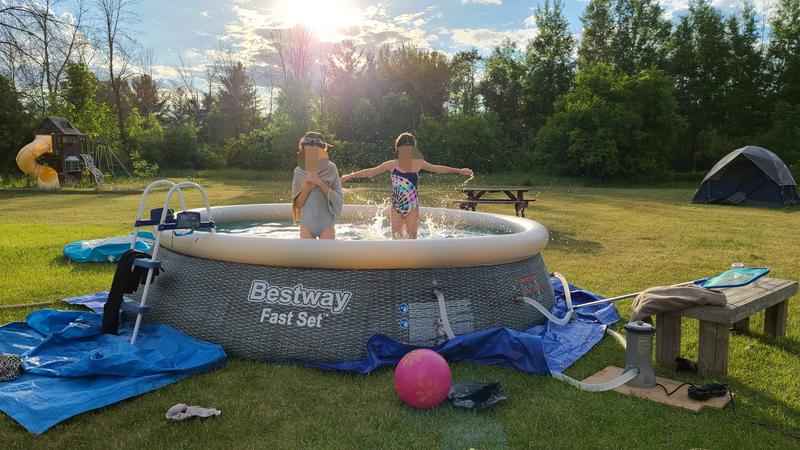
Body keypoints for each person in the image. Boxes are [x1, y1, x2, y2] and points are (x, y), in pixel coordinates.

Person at [340, 132, 473, 239]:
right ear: (398, 149)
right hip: (396, 207)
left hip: (412, 207)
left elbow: (438, 168)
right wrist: (350, 176)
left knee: (412, 239)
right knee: (396, 239)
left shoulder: (418, 163)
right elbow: (370, 172)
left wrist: (458, 170)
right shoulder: (392, 164)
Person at [292, 132, 343, 240]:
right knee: (307, 257)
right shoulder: (299, 171)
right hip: (307, 225)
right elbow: (297, 204)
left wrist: (319, 182)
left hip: (327, 225)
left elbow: (338, 199)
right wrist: (308, 187)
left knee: (327, 257)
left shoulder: (331, 168)